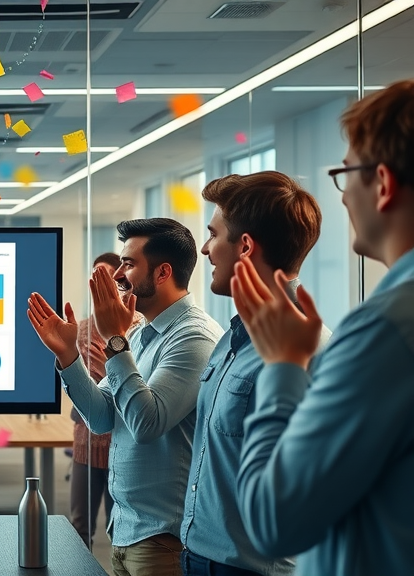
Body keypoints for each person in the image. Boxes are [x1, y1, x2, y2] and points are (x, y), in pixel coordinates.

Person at [231, 80, 414, 576]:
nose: (344, 195)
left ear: (382, 184)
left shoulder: (384, 330)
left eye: (345, 173)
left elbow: (273, 520)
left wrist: (283, 364)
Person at [28, 218, 223, 576]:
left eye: (128, 264)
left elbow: (147, 424)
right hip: (127, 532)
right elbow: (101, 417)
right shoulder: (142, 334)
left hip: (163, 539)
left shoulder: (194, 337)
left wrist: (114, 340)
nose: (118, 275)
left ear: (163, 273)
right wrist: (68, 355)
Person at [180, 171, 327, 576]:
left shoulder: (309, 352)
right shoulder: (232, 339)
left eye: (213, 234)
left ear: (245, 246)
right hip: (198, 556)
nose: (205, 249)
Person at [69, 252, 142, 549]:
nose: (96, 282)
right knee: (79, 526)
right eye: (93, 275)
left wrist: (109, 367)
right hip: (86, 441)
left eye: (104, 276)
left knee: (120, 526)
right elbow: (81, 383)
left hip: (121, 441)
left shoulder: (138, 328)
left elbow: (137, 385)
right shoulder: (81, 329)